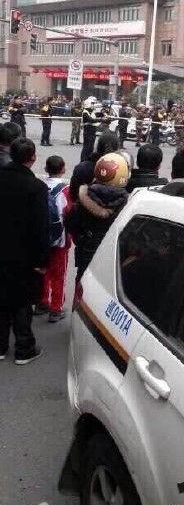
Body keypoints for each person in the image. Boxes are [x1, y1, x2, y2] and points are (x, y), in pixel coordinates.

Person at [0, 139, 49, 364]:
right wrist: (42, 261)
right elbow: (40, 227)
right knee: (22, 301)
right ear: (33, 158)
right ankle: (24, 348)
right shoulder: (36, 187)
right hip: (24, 256)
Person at [66, 153, 130, 281]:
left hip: (86, 254)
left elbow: (70, 225)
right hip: (114, 261)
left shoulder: (83, 199)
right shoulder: (129, 203)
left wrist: (83, 239)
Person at [37, 156, 71, 323]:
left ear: (46, 169)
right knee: (59, 275)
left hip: (41, 238)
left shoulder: (39, 186)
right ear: (63, 169)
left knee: (42, 271)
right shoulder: (65, 190)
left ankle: (42, 302)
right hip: (60, 240)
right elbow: (69, 213)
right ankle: (56, 308)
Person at [70, 130, 120, 201]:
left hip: (82, 205)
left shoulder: (82, 168)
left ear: (97, 146)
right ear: (117, 149)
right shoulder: (121, 170)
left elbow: (73, 194)